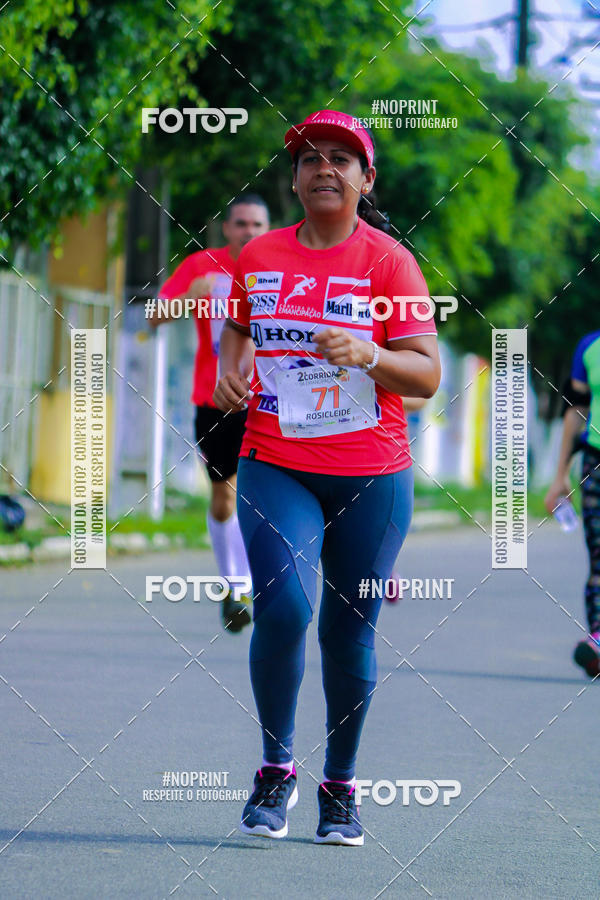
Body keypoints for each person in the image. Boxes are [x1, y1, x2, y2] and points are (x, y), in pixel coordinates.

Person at [214, 110, 440, 844]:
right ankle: (274, 771)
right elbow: (241, 322)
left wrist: (368, 354)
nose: (325, 168)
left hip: (373, 475)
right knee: (284, 611)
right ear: (293, 177)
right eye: (311, 157)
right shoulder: (260, 256)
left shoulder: (389, 263)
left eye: (343, 158)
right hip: (276, 460)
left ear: (365, 179)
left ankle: (339, 787)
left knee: (351, 634)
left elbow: (428, 374)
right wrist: (230, 363)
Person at [150, 194, 270, 632]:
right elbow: (153, 314)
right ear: (226, 228)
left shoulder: (278, 267)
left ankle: (252, 586)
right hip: (214, 399)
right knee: (223, 499)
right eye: (241, 224)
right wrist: (187, 298)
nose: (249, 232)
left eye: (257, 225)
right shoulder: (202, 266)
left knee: (259, 497)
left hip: (270, 402)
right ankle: (233, 585)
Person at [545, 330, 600, 677]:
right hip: (595, 462)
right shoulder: (590, 346)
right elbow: (576, 409)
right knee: (598, 556)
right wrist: (560, 474)